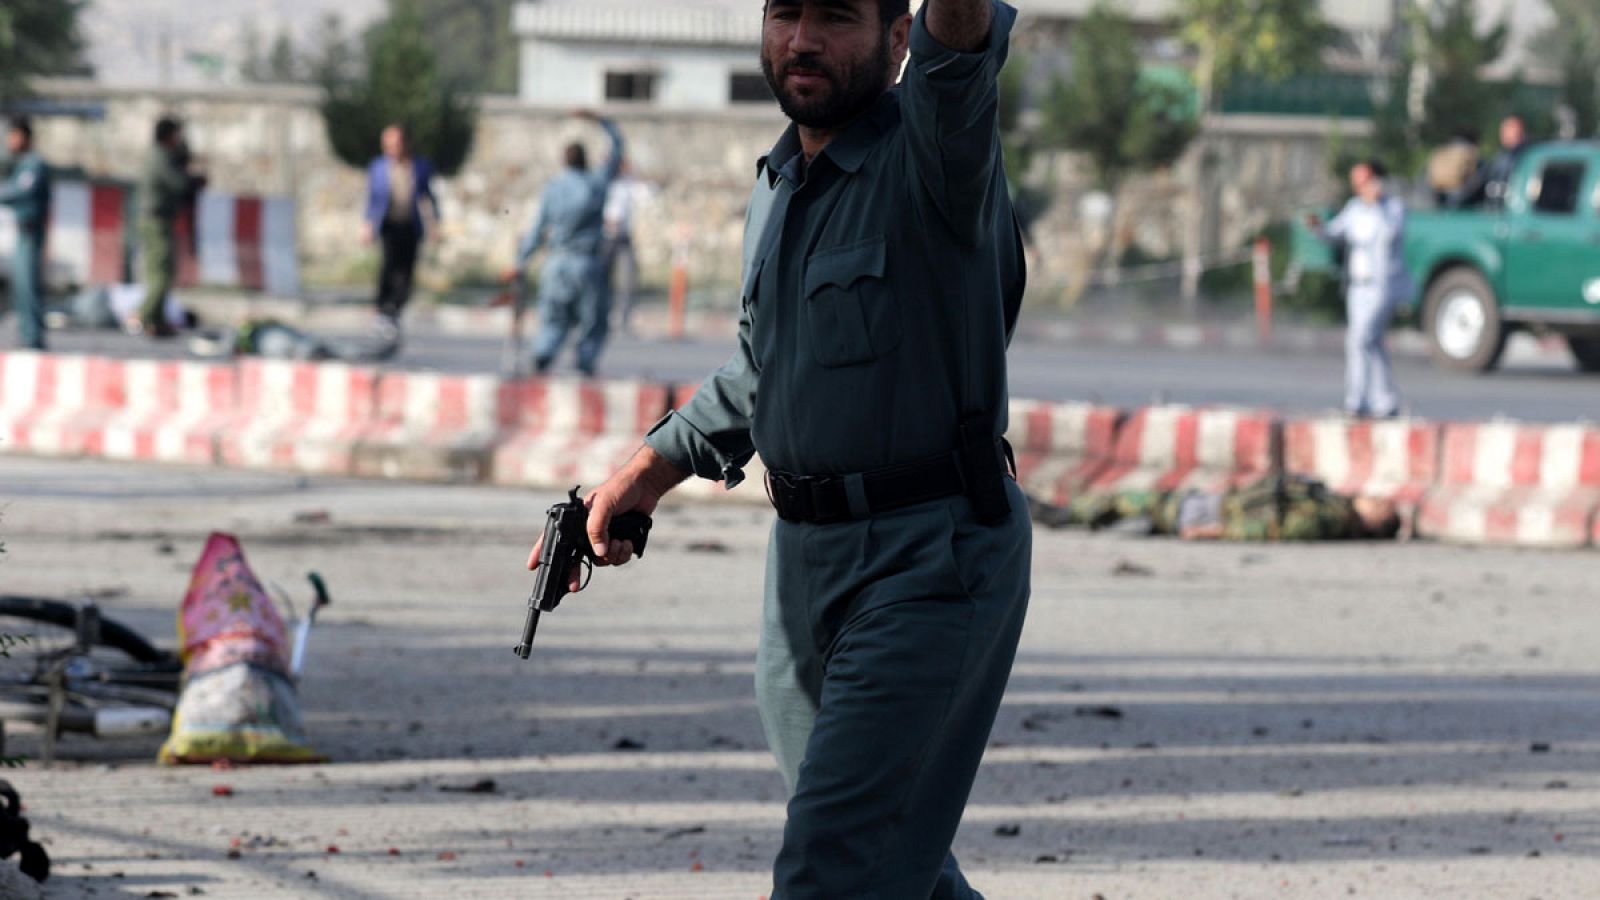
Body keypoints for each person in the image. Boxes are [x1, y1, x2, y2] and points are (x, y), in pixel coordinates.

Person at [528, 1, 1029, 896]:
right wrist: (644, 474)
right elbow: (764, 366)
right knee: (889, 860)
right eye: (785, 12)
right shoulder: (782, 180)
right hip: (802, 570)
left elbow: (964, 45)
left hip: (927, 563)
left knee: (832, 872)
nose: (802, 39)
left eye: (835, 16)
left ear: (899, 36)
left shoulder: (936, 149)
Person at [503, 111, 625, 376]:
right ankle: (585, 361)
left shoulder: (553, 188)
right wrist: (602, 121)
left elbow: (537, 230)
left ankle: (544, 355)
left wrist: (520, 262)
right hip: (587, 263)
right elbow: (617, 152)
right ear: (586, 160)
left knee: (554, 317)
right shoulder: (595, 184)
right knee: (592, 320)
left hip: (556, 264)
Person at [1307, 159, 1410, 419]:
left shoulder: (1392, 209)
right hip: (1357, 286)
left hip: (1382, 286)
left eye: (1365, 181)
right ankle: (1384, 401)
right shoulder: (1354, 210)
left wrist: (1377, 204)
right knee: (1370, 342)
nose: (1360, 187)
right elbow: (1335, 234)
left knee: (1360, 339)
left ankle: (1357, 400)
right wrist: (1318, 228)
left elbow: (1391, 234)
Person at [136, 116, 206, 338]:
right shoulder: (159, 158)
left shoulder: (163, 156)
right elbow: (179, 184)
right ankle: (143, 314)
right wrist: (194, 181)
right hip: (155, 222)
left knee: (163, 272)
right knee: (161, 273)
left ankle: (156, 320)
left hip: (159, 220)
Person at [363, 123, 438, 330]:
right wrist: (367, 224)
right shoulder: (378, 167)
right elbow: (372, 199)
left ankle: (395, 308)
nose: (391, 149)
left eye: (395, 144)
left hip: (410, 224)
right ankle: (381, 307)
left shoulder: (420, 166)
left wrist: (434, 223)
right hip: (388, 224)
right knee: (388, 265)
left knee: (406, 269)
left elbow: (428, 196)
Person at [0, 116, 52, 350]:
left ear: (24, 136)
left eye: (13, 135)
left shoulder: (34, 165)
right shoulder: (20, 163)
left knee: (29, 285)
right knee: (20, 287)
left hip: (31, 233)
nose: (10, 141)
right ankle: (25, 334)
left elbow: (19, 191)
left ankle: (33, 337)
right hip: (22, 233)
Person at [603, 159, 647, 334]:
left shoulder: (627, 184)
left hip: (624, 237)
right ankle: (602, 317)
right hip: (606, 238)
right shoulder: (603, 183)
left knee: (628, 279)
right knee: (602, 280)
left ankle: (624, 319)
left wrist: (633, 173)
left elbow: (646, 194)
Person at [1457, 114, 1528, 208]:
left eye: (1510, 130)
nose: (1505, 135)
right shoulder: (1502, 157)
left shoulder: (1515, 158)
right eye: (1504, 130)